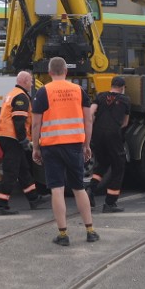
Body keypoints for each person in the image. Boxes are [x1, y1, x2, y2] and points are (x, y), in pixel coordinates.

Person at [31, 56, 98, 246]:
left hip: (51, 146)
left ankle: (63, 235)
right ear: (66, 71)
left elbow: (36, 124)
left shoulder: (44, 92)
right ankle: (90, 230)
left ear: (50, 72)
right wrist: (87, 145)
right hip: (75, 145)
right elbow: (88, 121)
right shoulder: (79, 91)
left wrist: (35, 147)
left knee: (57, 189)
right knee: (79, 188)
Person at [0, 70, 46, 215]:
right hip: (13, 138)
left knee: (23, 169)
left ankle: (34, 198)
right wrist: (23, 139)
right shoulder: (21, 97)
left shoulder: (12, 93)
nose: (32, 84)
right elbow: (19, 121)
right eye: (30, 81)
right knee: (11, 171)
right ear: (24, 81)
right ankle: (0, 205)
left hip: (6, 136)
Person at [87, 75, 131, 213]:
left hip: (98, 135)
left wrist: (94, 125)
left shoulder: (100, 96)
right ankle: (110, 203)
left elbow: (90, 113)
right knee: (118, 166)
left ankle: (91, 189)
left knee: (103, 163)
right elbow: (125, 122)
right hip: (113, 135)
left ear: (111, 85)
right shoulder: (125, 100)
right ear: (123, 88)